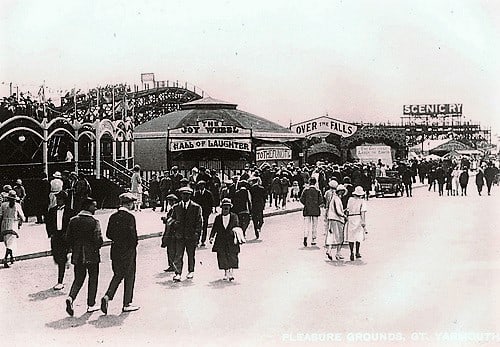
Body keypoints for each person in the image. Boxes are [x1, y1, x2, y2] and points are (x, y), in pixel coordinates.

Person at [101, 193, 140, 314]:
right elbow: (133, 237)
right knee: (129, 276)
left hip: (115, 249)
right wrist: (132, 246)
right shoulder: (130, 217)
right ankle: (127, 303)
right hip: (128, 251)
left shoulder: (113, 216)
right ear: (128, 204)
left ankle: (108, 295)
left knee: (118, 274)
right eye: (132, 203)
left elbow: (108, 234)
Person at [64, 197, 103, 316]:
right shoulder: (94, 222)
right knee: (93, 278)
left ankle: (71, 297)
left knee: (78, 278)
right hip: (92, 255)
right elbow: (98, 240)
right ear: (88, 207)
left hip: (77, 255)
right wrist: (97, 246)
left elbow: (68, 238)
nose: (95, 208)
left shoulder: (73, 220)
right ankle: (91, 304)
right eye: (94, 206)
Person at [170, 187, 202, 282]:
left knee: (191, 254)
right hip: (179, 235)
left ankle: (191, 270)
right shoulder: (176, 207)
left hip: (191, 235)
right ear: (181, 195)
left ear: (190, 195)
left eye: (187, 195)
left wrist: (197, 234)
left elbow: (199, 222)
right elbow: (171, 219)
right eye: (183, 194)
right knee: (178, 254)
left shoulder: (196, 207)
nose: (185, 196)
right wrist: (174, 223)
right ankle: (178, 273)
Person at [45, 190, 75, 290]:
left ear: (64, 200)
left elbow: (72, 225)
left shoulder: (70, 211)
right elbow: (48, 223)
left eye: (60, 199)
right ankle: (65, 261)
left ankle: (60, 281)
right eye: (57, 198)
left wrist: (69, 235)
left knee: (61, 259)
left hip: (65, 236)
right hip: (55, 236)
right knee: (56, 257)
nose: (58, 200)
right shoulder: (52, 210)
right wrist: (51, 234)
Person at [209, 198, 241, 281]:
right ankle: (226, 271)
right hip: (221, 240)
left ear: (230, 208)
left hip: (231, 240)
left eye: (227, 207)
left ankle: (231, 272)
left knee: (232, 255)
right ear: (221, 208)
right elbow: (214, 228)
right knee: (222, 256)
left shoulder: (234, 216)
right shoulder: (218, 218)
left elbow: (237, 226)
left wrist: (238, 236)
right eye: (224, 207)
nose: (226, 209)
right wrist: (211, 237)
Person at [0, 191, 24, 268]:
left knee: (8, 242)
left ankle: (11, 257)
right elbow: (22, 216)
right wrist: (20, 222)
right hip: (13, 224)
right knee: (11, 243)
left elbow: (0, 215)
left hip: (4, 225)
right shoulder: (17, 205)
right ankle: (6, 259)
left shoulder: (3, 205)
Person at [345, 186, 367, 261]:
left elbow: (347, 210)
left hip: (351, 218)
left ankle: (351, 252)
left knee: (351, 235)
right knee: (358, 236)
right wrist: (363, 221)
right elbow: (363, 212)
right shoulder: (362, 201)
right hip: (358, 217)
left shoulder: (350, 200)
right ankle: (357, 252)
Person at [299, 177, 323, 247]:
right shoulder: (318, 191)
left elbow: (301, 199)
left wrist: (306, 204)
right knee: (314, 225)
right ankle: (313, 239)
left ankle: (305, 237)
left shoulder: (305, 190)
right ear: (315, 183)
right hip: (315, 210)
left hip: (307, 210)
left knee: (306, 225)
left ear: (309, 182)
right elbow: (321, 201)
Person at [325, 184, 346, 261]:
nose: (343, 194)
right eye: (342, 192)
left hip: (331, 219)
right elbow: (338, 211)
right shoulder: (337, 199)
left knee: (331, 235)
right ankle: (338, 253)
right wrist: (343, 215)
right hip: (337, 219)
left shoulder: (333, 198)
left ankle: (329, 250)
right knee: (340, 237)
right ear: (339, 192)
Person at [160, 194, 179, 272]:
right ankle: (171, 265)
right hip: (170, 231)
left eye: (171, 201)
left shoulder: (176, 209)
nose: (170, 203)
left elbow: (174, 220)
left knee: (172, 249)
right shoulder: (172, 209)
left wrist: (166, 219)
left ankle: (173, 265)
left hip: (172, 232)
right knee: (170, 249)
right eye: (169, 201)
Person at [192, 180, 214, 247]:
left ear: (204, 186)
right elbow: (194, 203)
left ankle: (203, 240)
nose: (200, 187)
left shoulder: (208, 193)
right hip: (198, 213)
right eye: (199, 186)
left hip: (205, 212)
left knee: (204, 227)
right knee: (198, 226)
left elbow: (211, 203)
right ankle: (197, 240)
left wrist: (209, 211)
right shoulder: (197, 193)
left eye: (202, 185)